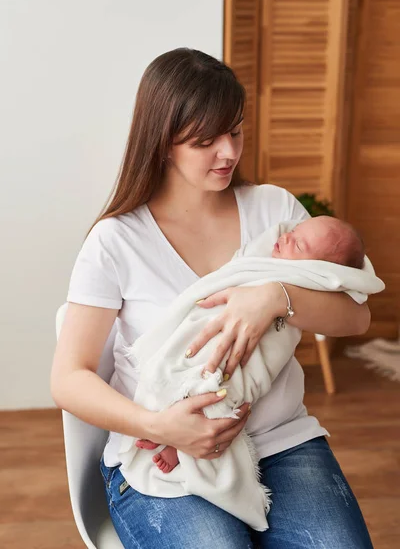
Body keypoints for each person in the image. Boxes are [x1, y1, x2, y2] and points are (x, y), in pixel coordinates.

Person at [51, 48, 374, 548]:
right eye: (206, 141)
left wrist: (274, 295)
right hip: (160, 449)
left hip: (280, 443)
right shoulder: (116, 241)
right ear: (163, 143)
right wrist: (160, 426)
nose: (229, 152)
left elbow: (356, 317)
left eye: (236, 131)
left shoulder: (276, 212)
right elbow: (68, 379)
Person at [135, 214, 367, 476]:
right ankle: (167, 425)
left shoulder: (303, 274)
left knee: (224, 383)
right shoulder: (271, 244)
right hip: (204, 344)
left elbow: (359, 318)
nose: (287, 236)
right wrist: (153, 424)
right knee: (191, 363)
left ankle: (178, 443)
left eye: (299, 245)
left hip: (282, 429)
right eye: (295, 231)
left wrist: (276, 297)